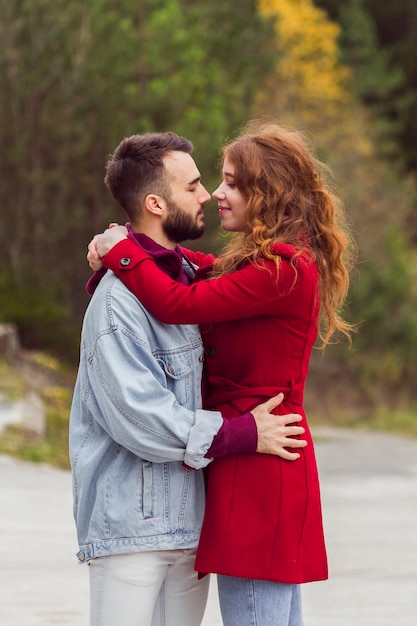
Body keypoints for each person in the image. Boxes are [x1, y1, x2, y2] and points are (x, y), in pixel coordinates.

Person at [89, 121, 355, 626]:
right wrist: (125, 247)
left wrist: (121, 251)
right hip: (250, 451)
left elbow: (177, 300)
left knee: (257, 614)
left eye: (231, 182)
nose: (217, 193)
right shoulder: (266, 266)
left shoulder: (284, 270)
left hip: (260, 457)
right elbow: (197, 267)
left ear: (265, 193)